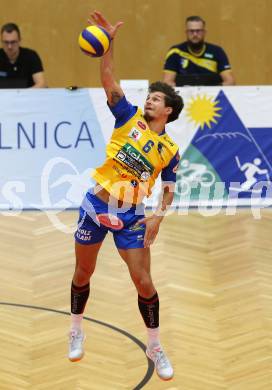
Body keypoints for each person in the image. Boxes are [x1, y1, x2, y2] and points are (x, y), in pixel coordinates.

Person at [68, 10, 184, 382]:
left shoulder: (169, 149)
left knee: (144, 282)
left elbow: (168, 188)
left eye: (154, 99)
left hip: (132, 214)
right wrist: (108, 44)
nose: (148, 101)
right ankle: (76, 328)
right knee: (84, 272)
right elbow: (108, 80)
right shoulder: (127, 117)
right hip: (97, 205)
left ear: (167, 111)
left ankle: (154, 344)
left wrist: (158, 216)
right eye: (148, 97)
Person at [163, 16, 235, 86]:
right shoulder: (175, 52)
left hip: (211, 97)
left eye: (198, 31)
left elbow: (230, 82)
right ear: (186, 32)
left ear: (204, 32)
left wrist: (214, 90)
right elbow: (167, 83)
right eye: (191, 31)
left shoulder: (217, 52)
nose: (195, 34)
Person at [0, 23, 46, 88]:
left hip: (28, 96)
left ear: (19, 41)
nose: (9, 46)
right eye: (6, 42)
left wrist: (22, 95)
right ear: (1, 42)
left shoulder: (31, 56)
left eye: (13, 42)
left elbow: (41, 84)